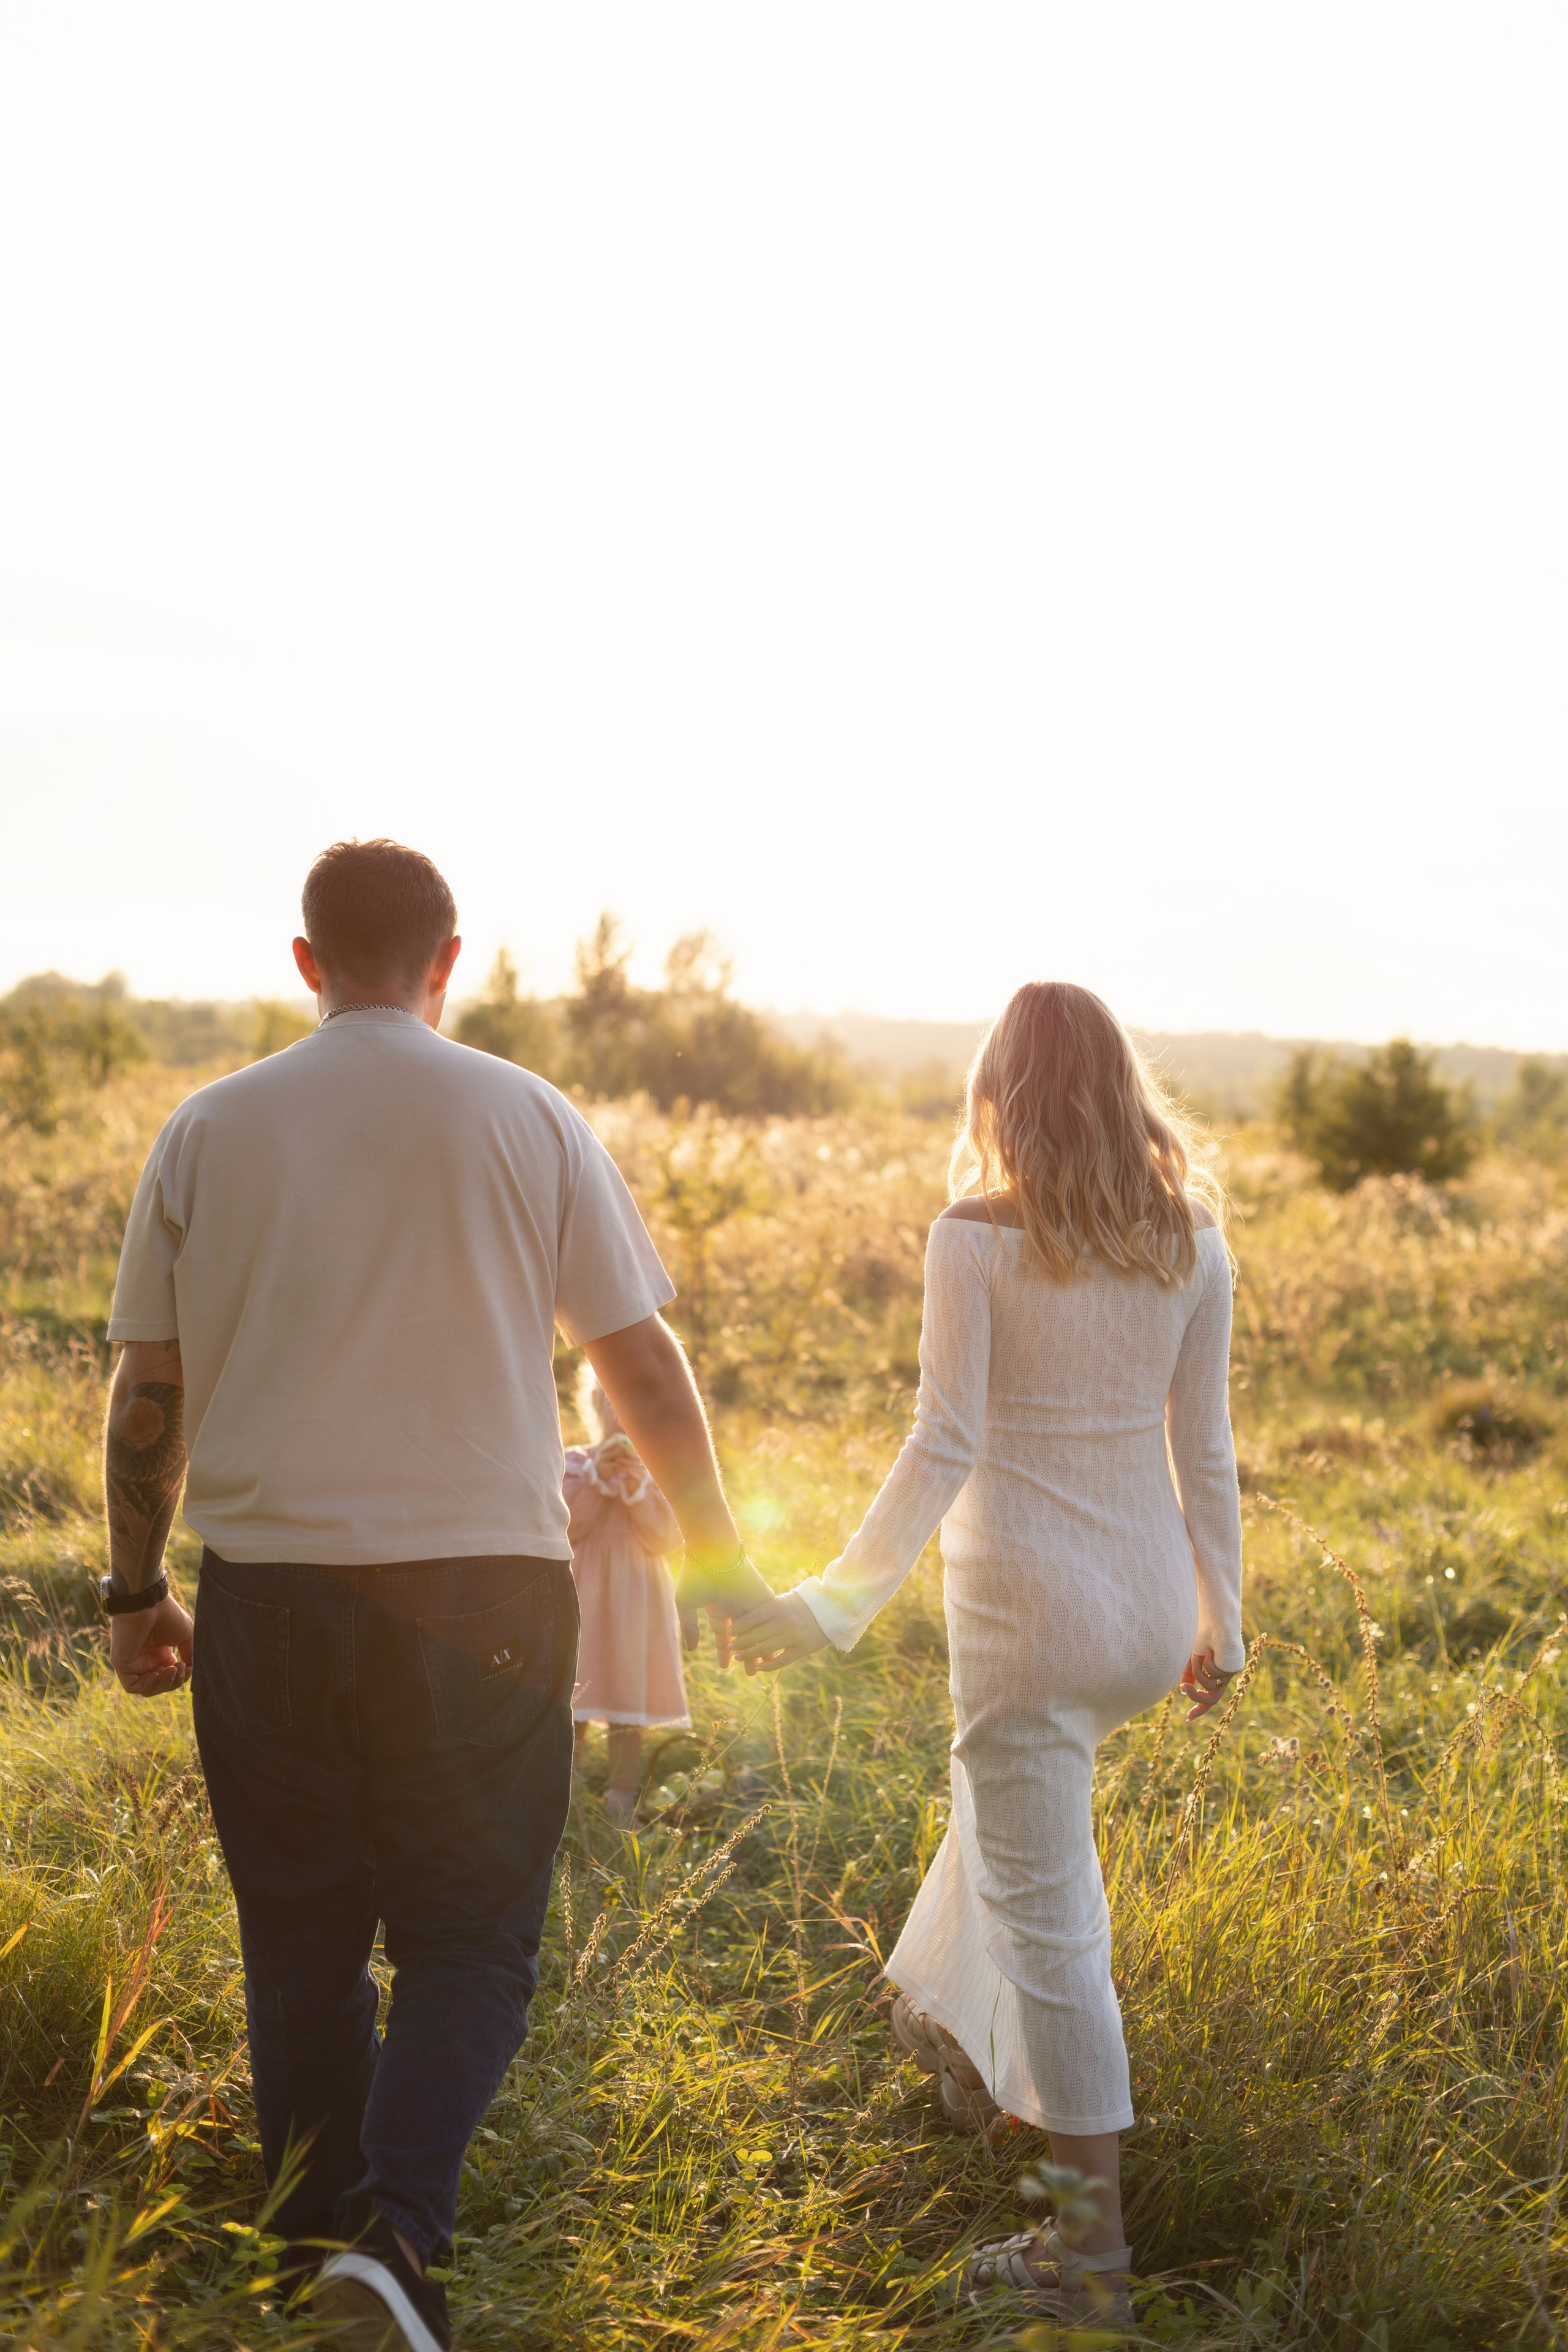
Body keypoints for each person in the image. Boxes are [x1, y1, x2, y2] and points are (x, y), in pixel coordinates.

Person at [100, 839, 767, 2352]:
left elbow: (148, 1389)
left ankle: (309, 2253)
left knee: (303, 1935)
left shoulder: (208, 1126)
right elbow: (644, 1363)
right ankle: (397, 2240)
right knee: (472, 1934)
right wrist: (719, 1556)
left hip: (267, 1594)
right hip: (489, 1594)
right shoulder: (529, 1114)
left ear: (304, 961)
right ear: (450, 959)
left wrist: (136, 1586)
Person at [732, 981, 1245, 2324]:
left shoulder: (969, 1241)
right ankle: (965, 2056)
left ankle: (1090, 2261)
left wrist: (828, 1605)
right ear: (1122, 1091)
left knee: (1056, 1928)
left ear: (999, 1098)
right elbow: (1203, 1457)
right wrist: (1220, 1623)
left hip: (1028, 1628)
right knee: (1006, 1831)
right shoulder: (1190, 1242)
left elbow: (940, 1444)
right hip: (1142, 1616)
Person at [565, 1366, 689, 1826]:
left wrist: (636, 1488)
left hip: (636, 1602)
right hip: (586, 1600)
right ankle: (566, 1792)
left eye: (629, 1406)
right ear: (593, 1408)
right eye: (608, 1403)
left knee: (626, 1698)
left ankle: (621, 1801)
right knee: (573, 1694)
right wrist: (597, 1478)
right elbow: (568, 1526)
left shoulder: (657, 1470)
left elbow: (666, 1538)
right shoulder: (574, 1464)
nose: (619, 1417)